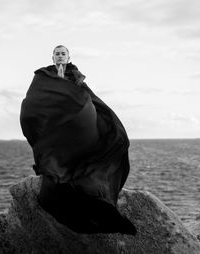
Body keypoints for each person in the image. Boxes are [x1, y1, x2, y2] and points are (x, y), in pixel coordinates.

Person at [20, 45, 136, 234]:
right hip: (55, 126)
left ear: (68, 57)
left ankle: (92, 192)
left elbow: (86, 97)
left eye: (63, 54)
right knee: (58, 159)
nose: (60, 56)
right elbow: (34, 99)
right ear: (52, 57)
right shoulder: (42, 76)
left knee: (112, 136)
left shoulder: (75, 74)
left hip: (73, 126)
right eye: (57, 54)